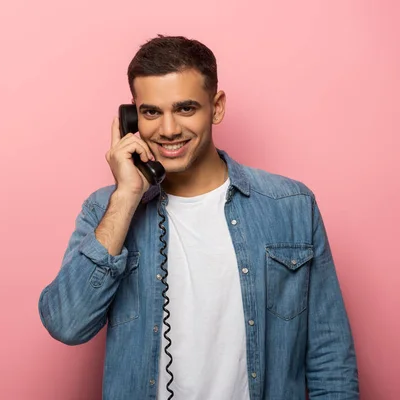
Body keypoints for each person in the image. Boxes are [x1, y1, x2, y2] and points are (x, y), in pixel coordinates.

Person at [38, 35, 359, 400]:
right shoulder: (105, 210)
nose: (169, 129)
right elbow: (66, 324)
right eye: (151, 112)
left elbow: (330, 359)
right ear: (131, 117)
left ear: (217, 106)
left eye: (186, 109)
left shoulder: (291, 206)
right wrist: (126, 197)